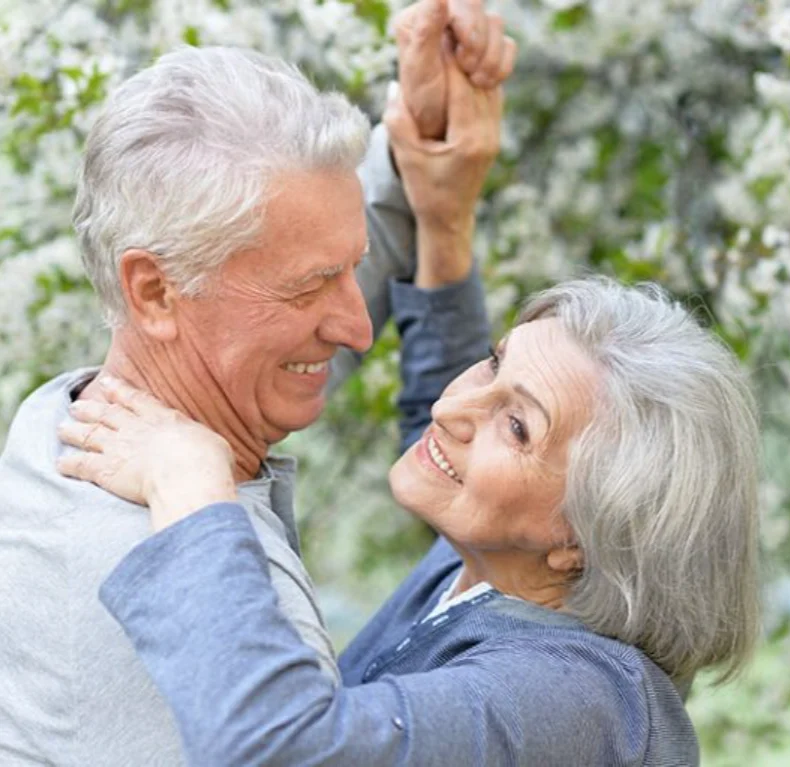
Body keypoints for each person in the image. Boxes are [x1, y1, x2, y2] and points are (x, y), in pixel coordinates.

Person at [56, 78, 763, 764]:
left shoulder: (585, 702)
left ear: (584, 533)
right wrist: (444, 219)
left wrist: (190, 485)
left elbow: (280, 751)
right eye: (492, 363)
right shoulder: (492, 566)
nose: (454, 408)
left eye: (517, 426)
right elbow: (456, 439)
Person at [0, 0, 514, 762]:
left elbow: (289, 245)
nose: (357, 327)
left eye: (353, 268)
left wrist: (420, 137)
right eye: (310, 288)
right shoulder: (217, 617)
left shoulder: (81, 414)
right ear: (154, 290)